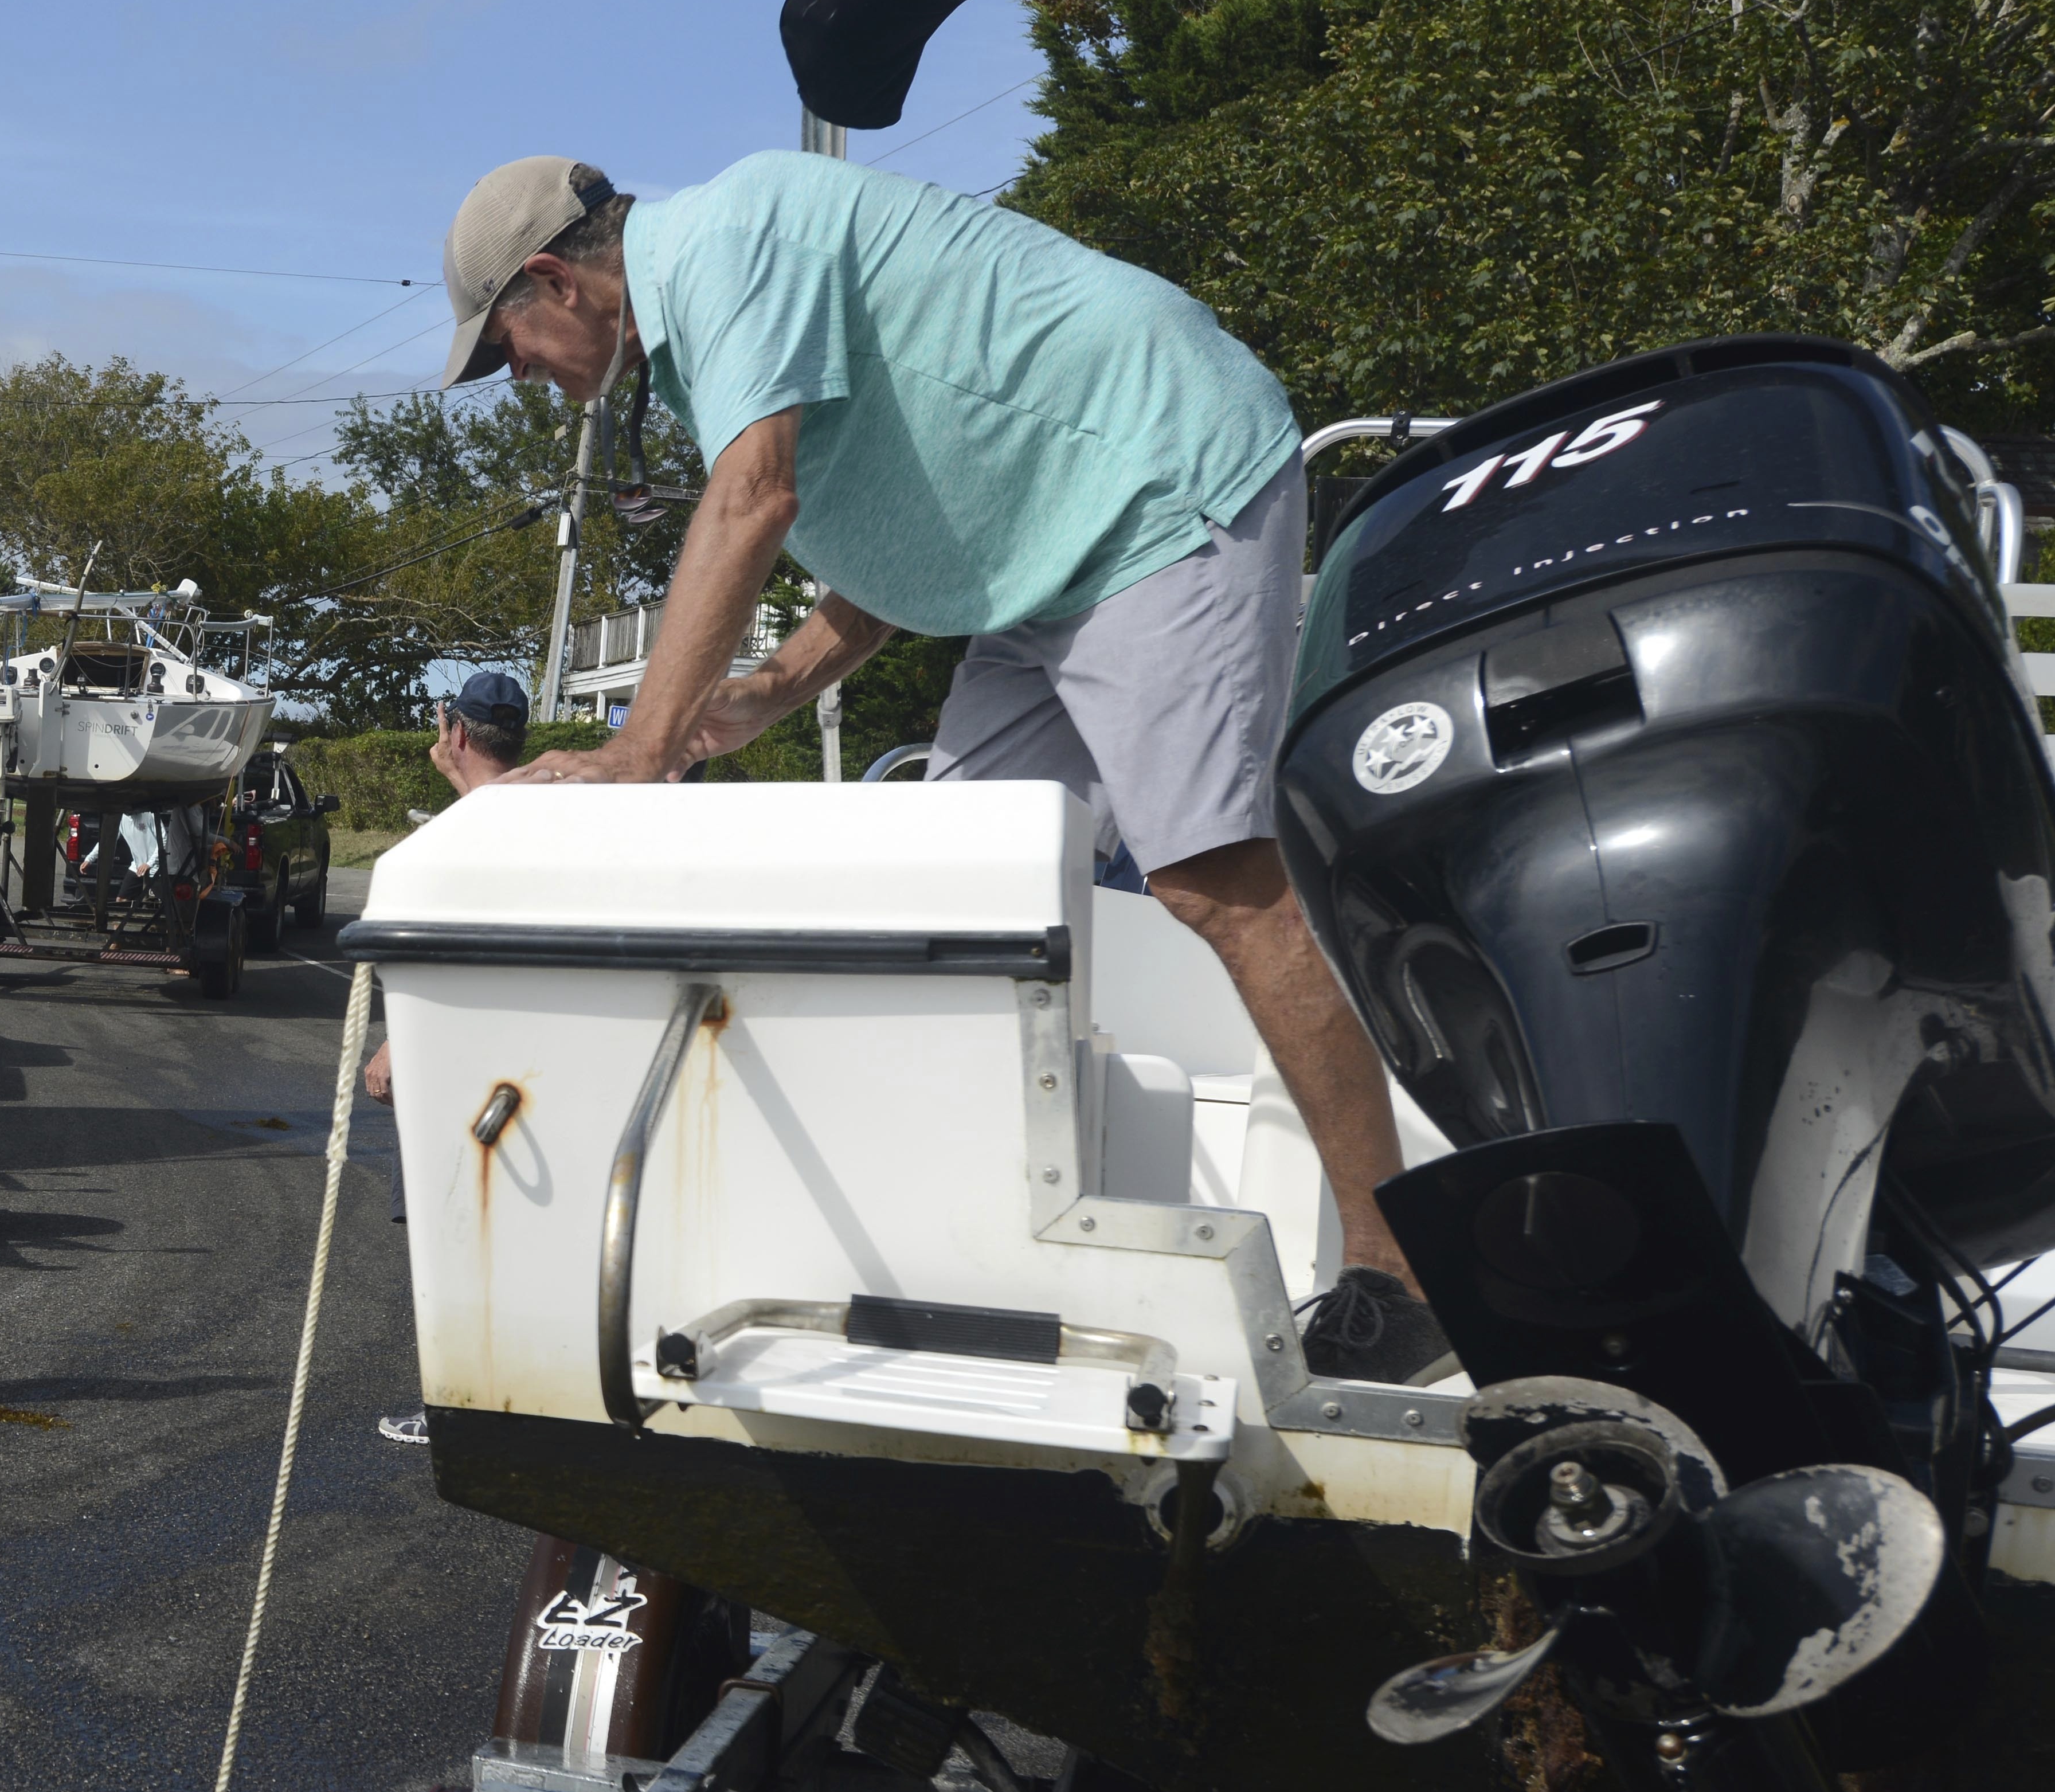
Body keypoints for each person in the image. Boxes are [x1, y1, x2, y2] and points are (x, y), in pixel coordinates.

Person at [433, 151, 1445, 1384]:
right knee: (960, 900)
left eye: (507, 346)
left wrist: (638, 754)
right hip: (1032, 558)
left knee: (1212, 882)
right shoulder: (702, 340)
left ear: (554, 279)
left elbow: (751, 501)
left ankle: (1397, 1267)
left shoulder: (729, 238)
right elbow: (897, 520)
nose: (521, 376)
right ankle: (987, 1252)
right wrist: (767, 693)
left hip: (1149, 482)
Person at [369, 671, 530, 1446]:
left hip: (461, 1075)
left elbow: (463, 952)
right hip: (525, 1075)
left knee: (451, 1240)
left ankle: (461, 1409)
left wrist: (400, 1043)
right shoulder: (538, 821)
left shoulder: (461, 840)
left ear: (457, 732)